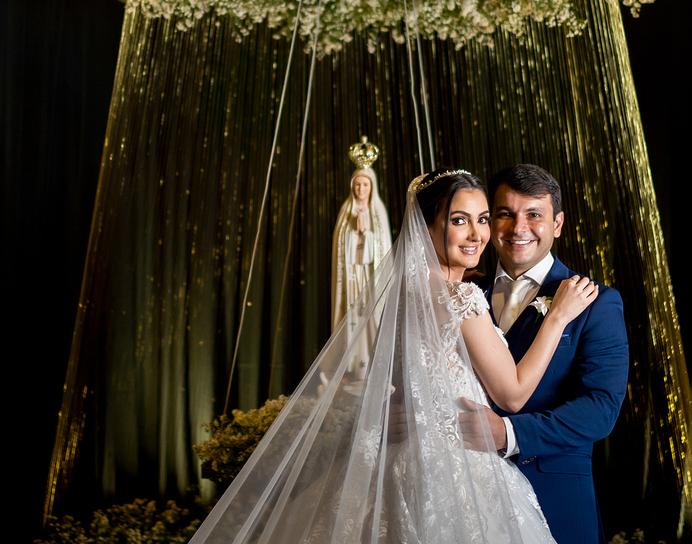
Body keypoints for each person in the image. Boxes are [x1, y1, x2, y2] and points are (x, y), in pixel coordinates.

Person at [188, 168, 597, 544]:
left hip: (402, 462)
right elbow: (512, 396)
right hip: (458, 471)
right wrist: (557, 318)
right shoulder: (462, 296)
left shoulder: (402, 296)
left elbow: (406, 386)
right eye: (459, 220)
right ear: (426, 226)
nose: (476, 234)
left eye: (483, 219)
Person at [460, 164, 630, 544]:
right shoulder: (463, 295)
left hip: (554, 496)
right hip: (464, 496)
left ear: (557, 223)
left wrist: (508, 433)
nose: (518, 228)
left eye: (534, 214)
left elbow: (601, 407)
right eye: (505, 214)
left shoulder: (596, 302)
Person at [330, 164, 392, 375]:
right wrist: (354, 234)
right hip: (351, 275)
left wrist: (366, 234)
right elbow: (340, 246)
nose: (361, 189)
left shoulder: (377, 212)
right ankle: (350, 366)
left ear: (372, 187)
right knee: (351, 315)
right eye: (357, 184)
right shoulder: (346, 211)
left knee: (371, 314)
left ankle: (373, 364)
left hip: (370, 275)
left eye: (365, 184)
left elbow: (383, 246)